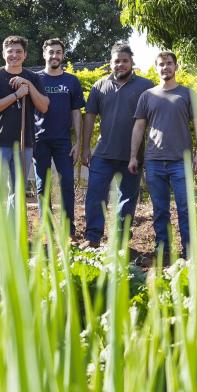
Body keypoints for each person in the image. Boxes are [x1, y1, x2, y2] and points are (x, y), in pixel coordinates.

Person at [129, 50, 197, 260]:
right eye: (161, 64)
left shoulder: (187, 95)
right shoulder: (147, 96)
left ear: (176, 66)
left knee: (185, 209)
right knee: (160, 211)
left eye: (169, 63)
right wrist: (133, 156)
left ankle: (190, 253)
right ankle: (164, 251)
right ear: (156, 67)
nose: (165, 67)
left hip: (181, 162)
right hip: (153, 162)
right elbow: (138, 128)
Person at [81, 43, 153, 248]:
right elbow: (90, 118)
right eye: (116, 61)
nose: (120, 64)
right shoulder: (99, 86)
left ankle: (120, 242)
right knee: (95, 195)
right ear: (110, 63)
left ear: (132, 63)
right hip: (103, 153)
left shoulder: (145, 86)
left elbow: (153, 118)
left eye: (125, 61)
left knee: (127, 199)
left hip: (132, 155)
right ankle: (93, 237)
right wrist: (86, 148)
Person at [0, 35, 49, 239]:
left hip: (24, 143)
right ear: (4, 54)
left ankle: (11, 237)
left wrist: (28, 86)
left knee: (17, 192)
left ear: (25, 55)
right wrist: (16, 95)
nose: (14, 55)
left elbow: (44, 106)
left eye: (19, 51)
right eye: (10, 51)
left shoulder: (34, 78)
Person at [33, 38, 85, 237]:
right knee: (42, 186)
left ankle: (68, 229)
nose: (54, 56)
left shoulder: (71, 81)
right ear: (44, 54)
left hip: (63, 142)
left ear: (63, 56)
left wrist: (78, 142)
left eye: (58, 52)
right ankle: (46, 228)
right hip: (39, 140)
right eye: (51, 52)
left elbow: (76, 113)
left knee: (66, 185)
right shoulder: (35, 79)